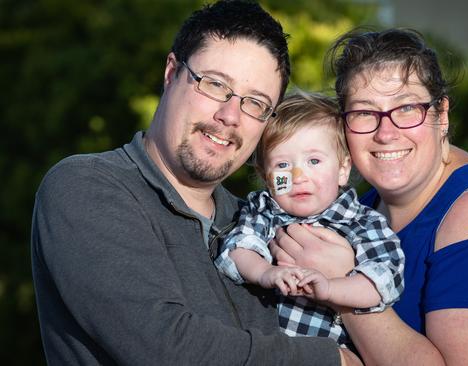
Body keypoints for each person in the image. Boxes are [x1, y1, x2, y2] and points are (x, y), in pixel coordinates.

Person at [30, 1, 360, 365]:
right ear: (171, 73)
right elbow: (168, 349)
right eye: (215, 85)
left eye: (255, 103)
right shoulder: (87, 187)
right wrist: (333, 361)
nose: (229, 116)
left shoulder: (256, 221)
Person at [271, 28, 468, 365]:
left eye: (406, 108)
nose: (386, 133)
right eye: (364, 113)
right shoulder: (363, 208)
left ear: (441, 115)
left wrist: (344, 286)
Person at [215, 92, 405, 347]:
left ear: (342, 169)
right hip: (260, 350)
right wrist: (265, 272)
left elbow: (385, 281)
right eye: (282, 165)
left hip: (327, 354)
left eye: (314, 161)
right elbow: (237, 251)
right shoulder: (264, 211)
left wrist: (331, 289)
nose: (298, 176)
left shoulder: (362, 223)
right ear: (266, 176)